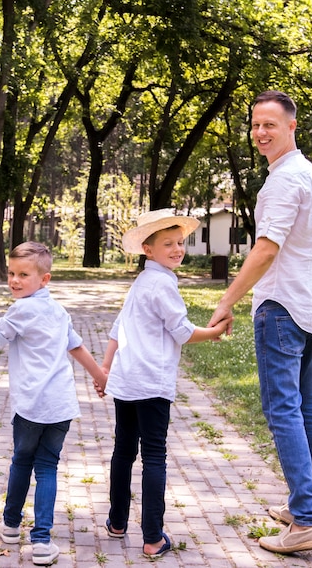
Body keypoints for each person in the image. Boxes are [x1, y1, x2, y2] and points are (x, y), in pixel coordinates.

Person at [207, 90, 312, 554]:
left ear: (291, 126)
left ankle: (305, 523)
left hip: (282, 308)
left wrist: (227, 299)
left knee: (285, 411)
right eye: (256, 124)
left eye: (270, 125)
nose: (260, 133)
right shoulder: (308, 172)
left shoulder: (282, 181)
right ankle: (301, 508)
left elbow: (266, 248)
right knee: (306, 409)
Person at [0, 241, 107, 566]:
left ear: (44, 279)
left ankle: (10, 526)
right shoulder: (58, 310)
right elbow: (76, 348)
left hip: (32, 407)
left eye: (23, 275)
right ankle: (42, 542)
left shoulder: (21, 310)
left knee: (23, 461)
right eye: (11, 273)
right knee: (47, 467)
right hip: (61, 405)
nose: (15, 281)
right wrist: (100, 377)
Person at [98, 209, 231, 559]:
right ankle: (153, 537)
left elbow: (117, 329)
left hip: (127, 382)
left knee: (124, 451)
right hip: (152, 384)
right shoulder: (162, 285)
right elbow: (183, 332)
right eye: (167, 244)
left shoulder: (142, 283)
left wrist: (106, 368)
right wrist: (216, 331)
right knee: (153, 454)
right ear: (148, 249)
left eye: (180, 243)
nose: (177, 249)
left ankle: (116, 522)